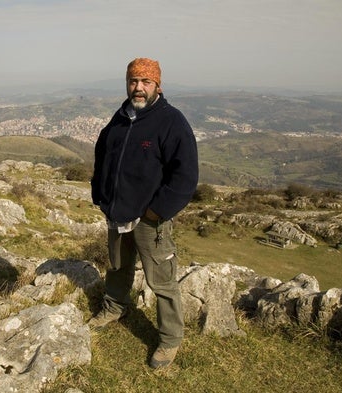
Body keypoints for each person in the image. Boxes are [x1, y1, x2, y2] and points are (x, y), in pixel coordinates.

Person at [89, 57, 199, 369]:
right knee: (118, 265)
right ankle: (114, 307)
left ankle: (169, 339)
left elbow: (186, 176)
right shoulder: (121, 117)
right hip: (117, 214)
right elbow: (103, 154)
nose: (138, 88)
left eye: (145, 82)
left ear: (157, 85)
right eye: (133, 81)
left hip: (151, 221)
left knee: (161, 281)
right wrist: (100, 193)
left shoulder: (171, 121)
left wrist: (156, 212)